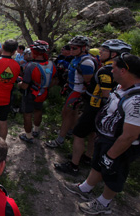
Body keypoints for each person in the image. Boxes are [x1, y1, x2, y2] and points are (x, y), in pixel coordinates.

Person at [64, 53, 140, 215]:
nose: (110, 71)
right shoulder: (121, 88)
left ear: (124, 71)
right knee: (98, 164)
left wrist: (111, 155)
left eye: (113, 68)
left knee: (113, 173)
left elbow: (130, 135)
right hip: (106, 137)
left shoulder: (136, 101)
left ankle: (104, 203)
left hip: (120, 144)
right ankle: (85, 188)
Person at [54, 39, 131, 175]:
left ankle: (73, 166)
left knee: (78, 134)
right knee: (93, 134)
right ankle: (87, 157)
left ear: (113, 54)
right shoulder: (117, 70)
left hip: (95, 107)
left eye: (105, 50)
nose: (100, 51)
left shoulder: (107, 71)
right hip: (102, 110)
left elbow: (107, 95)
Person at [46, 35, 96, 148]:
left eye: (75, 48)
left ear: (83, 48)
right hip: (72, 88)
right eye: (71, 47)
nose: (71, 50)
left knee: (66, 113)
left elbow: (88, 82)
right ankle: (70, 131)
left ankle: (60, 139)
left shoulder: (86, 62)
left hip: (77, 91)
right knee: (72, 113)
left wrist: (81, 94)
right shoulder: (76, 58)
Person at [18, 40, 57, 143]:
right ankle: (36, 130)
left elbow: (25, 85)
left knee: (27, 114)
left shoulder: (31, 66)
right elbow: (55, 80)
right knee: (38, 110)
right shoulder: (51, 64)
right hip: (43, 92)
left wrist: (19, 85)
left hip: (30, 94)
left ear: (34, 52)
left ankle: (28, 136)